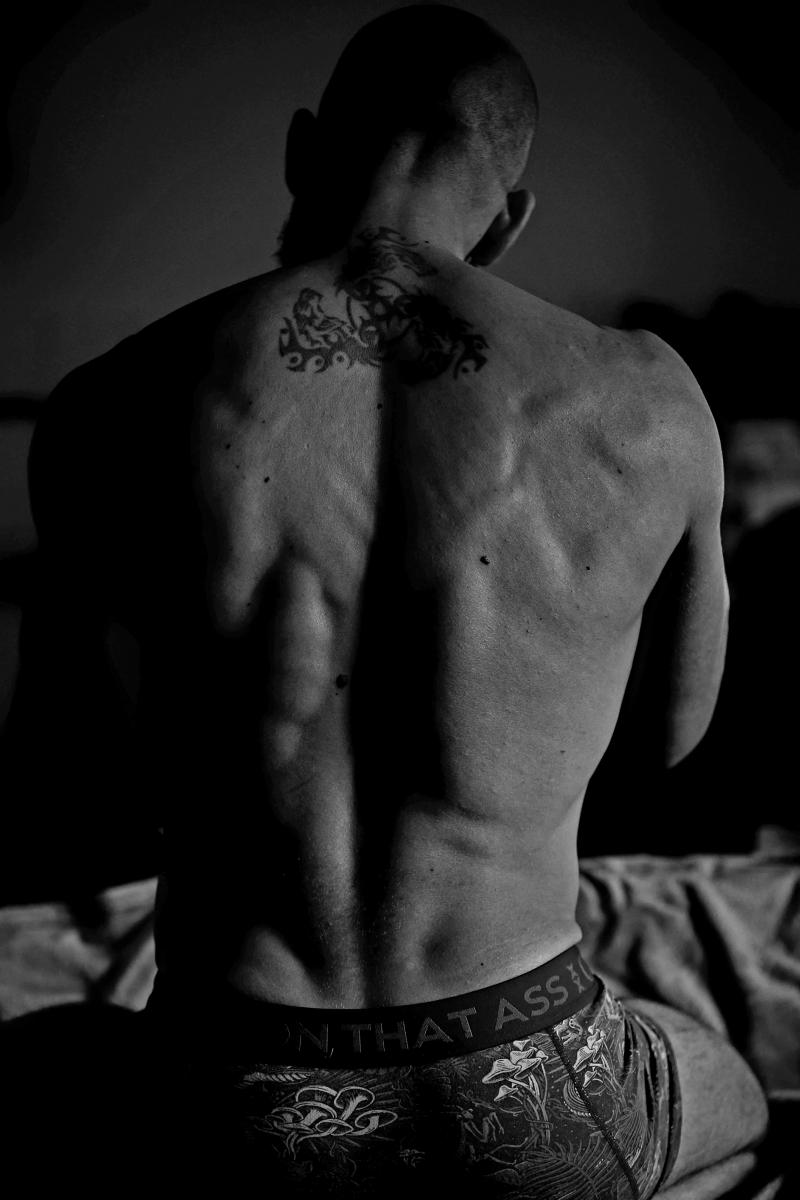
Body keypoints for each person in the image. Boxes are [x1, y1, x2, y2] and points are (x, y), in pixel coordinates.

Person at [19, 4, 767, 1196]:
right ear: (509, 218)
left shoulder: (107, 405)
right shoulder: (650, 401)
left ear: (302, 152)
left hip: (228, 1096)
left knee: (49, 1058)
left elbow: (70, 778)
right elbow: (667, 745)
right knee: (730, 1088)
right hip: (525, 1092)